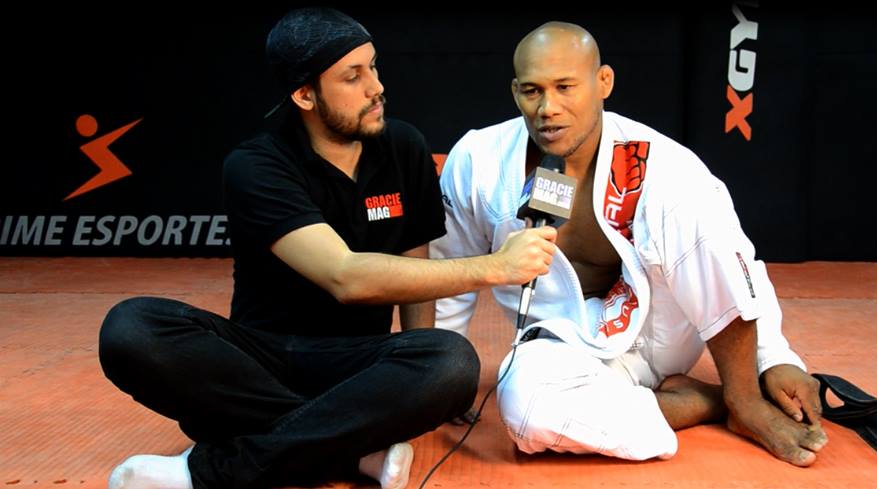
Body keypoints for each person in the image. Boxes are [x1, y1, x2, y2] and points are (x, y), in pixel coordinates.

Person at [98, 8, 557, 489]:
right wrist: (496, 266)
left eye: (373, 66)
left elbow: (413, 271)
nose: (376, 87)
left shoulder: (404, 147)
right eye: (352, 77)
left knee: (451, 361)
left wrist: (421, 364)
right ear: (304, 95)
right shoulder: (257, 166)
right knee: (132, 327)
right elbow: (346, 277)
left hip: (359, 366)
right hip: (260, 362)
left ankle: (216, 466)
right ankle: (351, 448)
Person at [431, 21, 829, 467]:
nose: (548, 108)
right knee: (524, 404)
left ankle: (743, 398)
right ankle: (710, 403)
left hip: (660, 331)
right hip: (562, 339)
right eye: (532, 91)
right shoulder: (479, 160)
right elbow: (448, 268)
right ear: (514, 91)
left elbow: (730, 263)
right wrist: (441, 379)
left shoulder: (660, 163)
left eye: (565, 87)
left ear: (603, 82)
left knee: (686, 200)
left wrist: (773, 358)